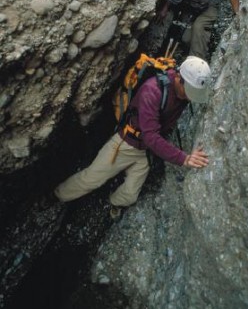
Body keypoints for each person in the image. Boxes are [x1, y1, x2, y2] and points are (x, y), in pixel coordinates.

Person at [54, 56, 210, 220]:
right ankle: (57, 195)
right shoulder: (153, 91)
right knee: (91, 179)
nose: (190, 97)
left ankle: (114, 203)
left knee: (130, 195)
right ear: (179, 78)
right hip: (126, 144)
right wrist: (183, 158)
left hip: (144, 149)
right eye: (189, 91)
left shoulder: (183, 92)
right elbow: (151, 136)